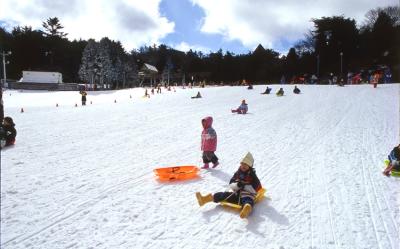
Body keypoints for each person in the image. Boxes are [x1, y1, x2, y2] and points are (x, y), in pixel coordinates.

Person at [196, 152, 262, 218]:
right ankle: (205, 199)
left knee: (247, 199)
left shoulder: (252, 175)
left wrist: (244, 186)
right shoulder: (238, 172)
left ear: (250, 166)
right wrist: (237, 185)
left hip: (248, 194)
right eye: (242, 164)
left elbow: (257, 188)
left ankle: (246, 208)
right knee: (224, 195)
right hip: (236, 194)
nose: (243, 166)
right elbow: (231, 183)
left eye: (246, 164)